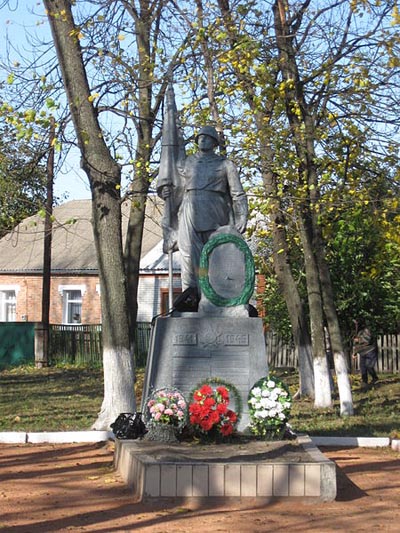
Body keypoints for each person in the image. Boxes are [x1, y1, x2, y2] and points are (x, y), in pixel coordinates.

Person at [158, 125, 248, 293]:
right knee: (188, 254)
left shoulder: (225, 164)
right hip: (189, 209)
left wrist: (242, 216)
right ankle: (191, 293)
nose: (202, 140)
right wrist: (166, 190)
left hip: (214, 210)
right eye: (200, 137)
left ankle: (214, 293)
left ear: (214, 142)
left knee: (213, 254)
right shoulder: (187, 162)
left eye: (206, 137)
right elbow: (177, 184)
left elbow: (237, 193)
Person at [352, 319, 379, 389]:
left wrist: (359, 339)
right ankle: (364, 382)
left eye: (357, 324)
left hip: (370, 351)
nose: (356, 325)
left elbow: (368, 340)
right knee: (362, 368)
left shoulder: (367, 330)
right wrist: (354, 353)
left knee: (369, 366)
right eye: (355, 324)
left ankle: (375, 377)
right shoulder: (357, 332)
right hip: (362, 352)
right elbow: (355, 344)